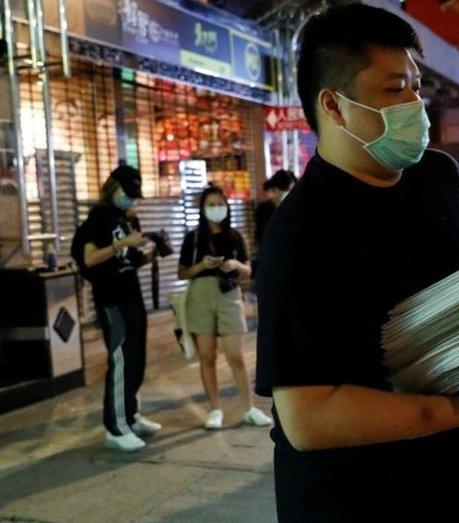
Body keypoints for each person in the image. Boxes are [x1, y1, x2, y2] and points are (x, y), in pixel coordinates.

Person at [255, 5, 459, 523]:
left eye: (417, 87)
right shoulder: (300, 234)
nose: (416, 104)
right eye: (395, 90)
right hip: (360, 518)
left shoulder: (439, 177)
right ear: (334, 106)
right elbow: (308, 417)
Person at [77, 165, 162, 452]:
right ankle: (115, 427)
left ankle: (130, 415)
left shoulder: (126, 218)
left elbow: (130, 260)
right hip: (111, 299)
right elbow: (90, 259)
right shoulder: (98, 218)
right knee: (121, 360)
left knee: (136, 357)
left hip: (131, 295)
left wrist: (152, 252)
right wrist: (121, 244)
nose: (132, 200)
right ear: (112, 188)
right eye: (128, 193)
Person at [177, 186, 272, 431]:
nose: (216, 208)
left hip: (229, 295)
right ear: (202, 208)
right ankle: (215, 409)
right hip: (200, 296)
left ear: (227, 206)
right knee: (207, 357)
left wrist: (235, 265)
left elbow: (249, 270)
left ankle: (249, 408)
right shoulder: (194, 238)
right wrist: (202, 265)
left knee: (236, 356)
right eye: (211, 204)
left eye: (220, 203)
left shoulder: (235, 236)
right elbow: (182, 271)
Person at [255, 169, 296, 247]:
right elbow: (261, 236)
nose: (289, 194)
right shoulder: (264, 210)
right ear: (275, 189)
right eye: (287, 190)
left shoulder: (293, 209)